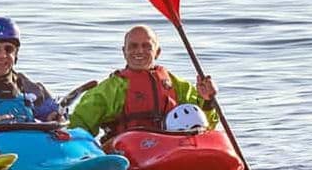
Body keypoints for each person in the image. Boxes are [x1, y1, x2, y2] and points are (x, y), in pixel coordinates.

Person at [68, 25, 219, 139]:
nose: (139, 51)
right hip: (129, 152)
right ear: (124, 51)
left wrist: (207, 101)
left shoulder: (177, 85)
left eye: (146, 46)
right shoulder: (109, 90)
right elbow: (79, 128)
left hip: (172, 147)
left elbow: (206, 125)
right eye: (133, 46)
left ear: (157, 52)